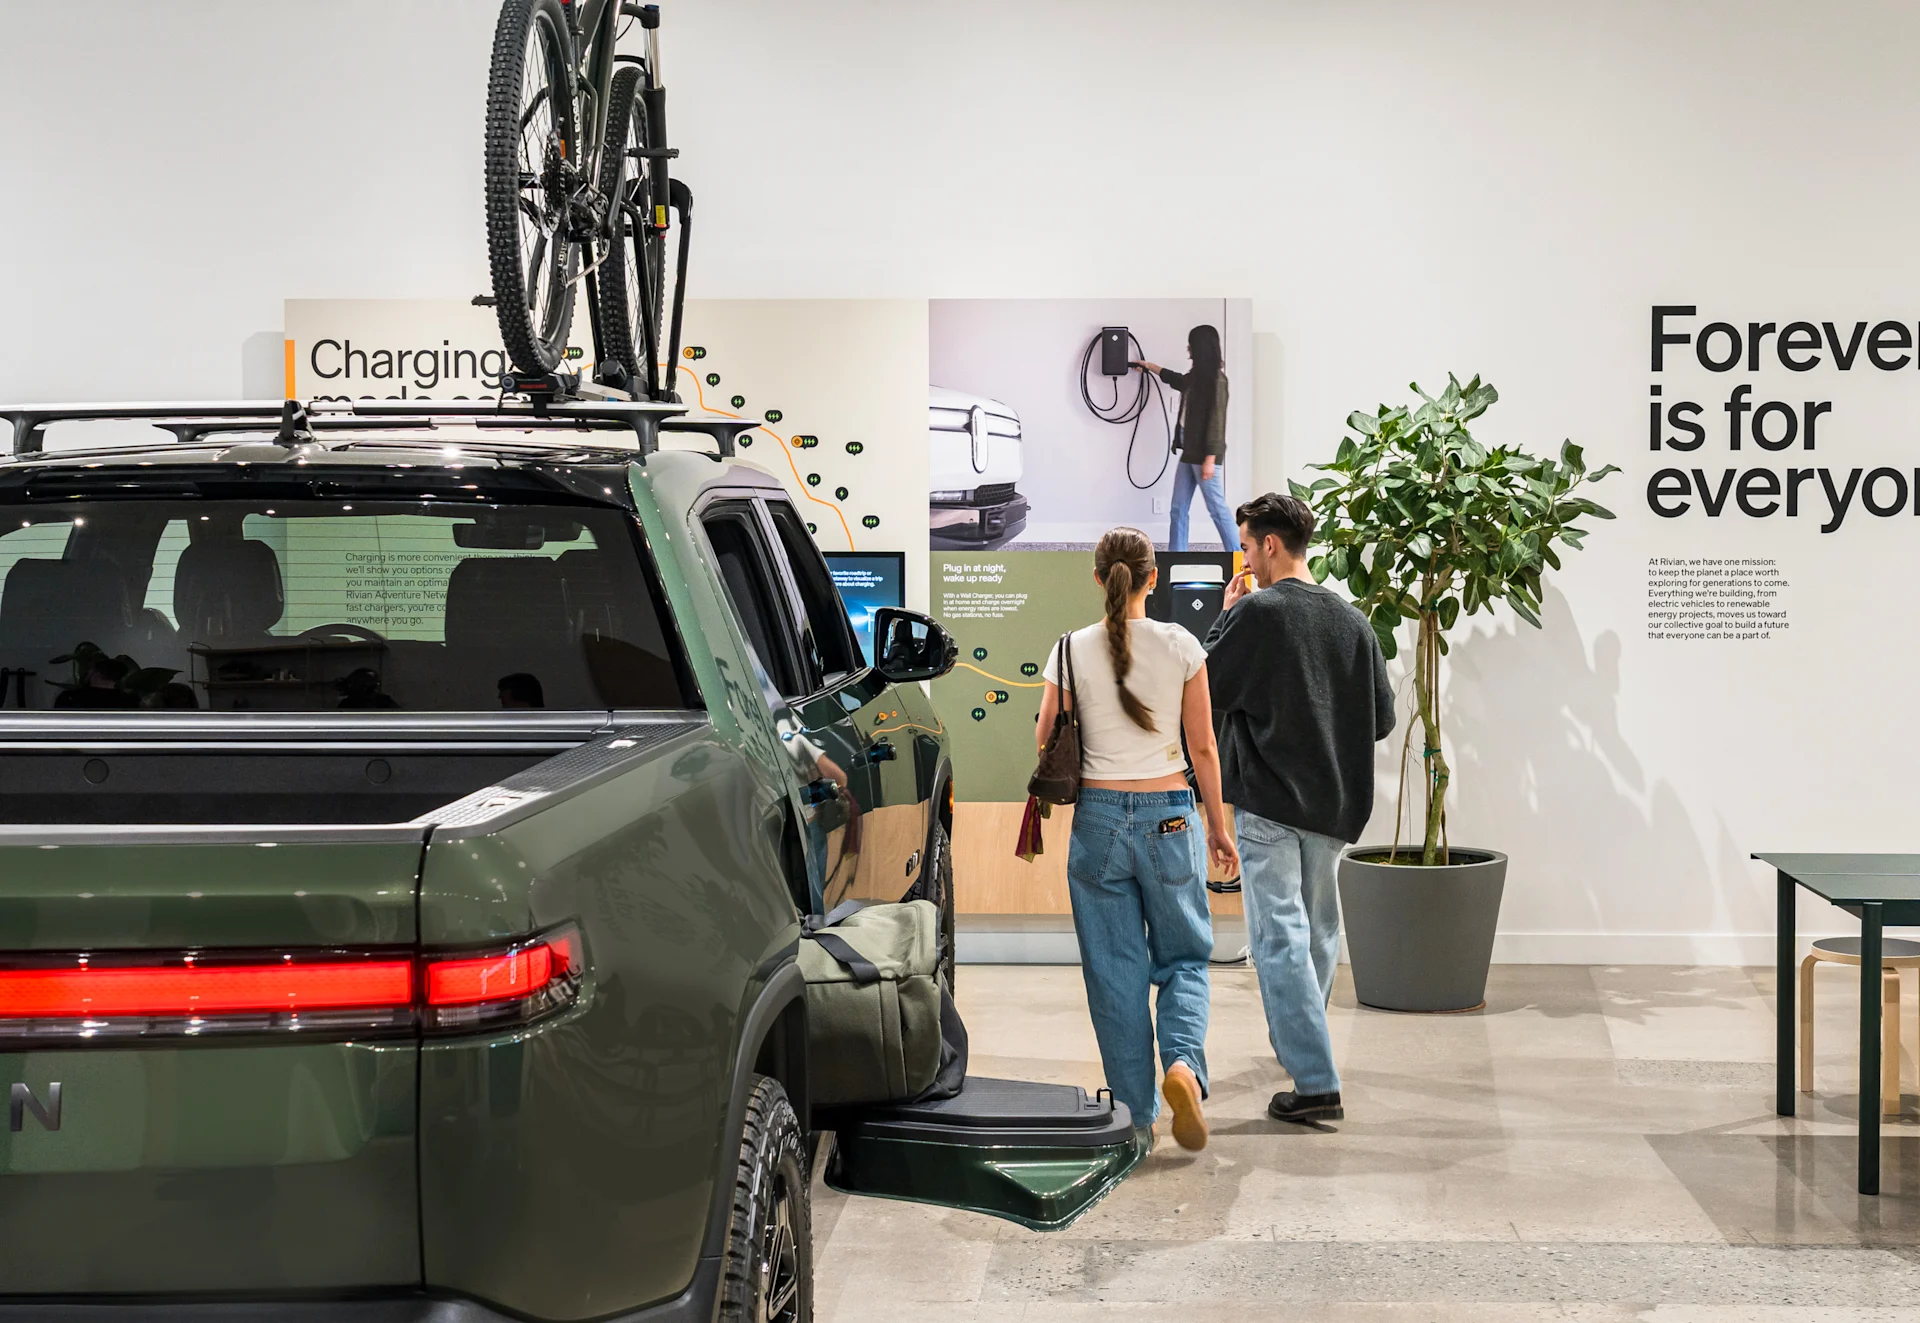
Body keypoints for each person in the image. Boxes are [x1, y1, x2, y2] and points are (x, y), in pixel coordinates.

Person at [1035, 526, 1239, 1151]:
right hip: (1170, 813)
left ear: (1099, 579)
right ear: (1153, 578)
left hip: (1097, 818)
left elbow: (1046, 737)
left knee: (1113, 970)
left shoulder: (1068, 649)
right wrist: (1217, 826)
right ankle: (1182, 1067)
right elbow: (1203, 745)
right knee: (1183, 956)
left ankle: (1134, 1118)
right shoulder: (1181, 645)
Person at [1204, 493, 1395, 1124]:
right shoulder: (1352, 620)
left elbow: (1207, 686)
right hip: (1334, 804)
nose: (1248, 560)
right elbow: (1382, 718)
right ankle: (1303, 1046)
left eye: (1249, 547)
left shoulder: (1257, 613)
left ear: (1271, 546)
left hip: (1269, 799)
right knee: (1317, 929)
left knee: (1276, 933)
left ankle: (1314, 1080)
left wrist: (1225, 617)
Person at [1133, 324, 1234, 552]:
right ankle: (1175, 557)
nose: (1188, 348)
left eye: (1192, 344)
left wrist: (1210, 458)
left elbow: (1217, 422)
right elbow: (1177, 380)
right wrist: (1150, 367)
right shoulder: (1196, 378)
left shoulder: (1217, 381)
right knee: (1178, 509)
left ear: (1201, 348)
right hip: (1189, 453)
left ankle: (1239, 557)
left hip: (1205, 457)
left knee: (1217, 509)